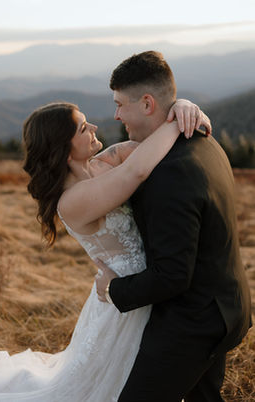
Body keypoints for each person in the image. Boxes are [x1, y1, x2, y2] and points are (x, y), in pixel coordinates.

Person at [0, 93, 210, 399]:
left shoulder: (103, 163)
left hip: (150, 285)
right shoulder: (73, 201)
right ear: (63, 150)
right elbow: (137, 171)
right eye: (82, 128)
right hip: (124, 303)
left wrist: (183, 107)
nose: (95, 129)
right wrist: (178, 119)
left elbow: (149, 148)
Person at [95, 51, 252, 402]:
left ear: (148, 103)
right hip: (227, 306)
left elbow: (173, 275)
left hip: (194, 323)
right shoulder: (202, 139)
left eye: (121, 104)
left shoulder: (170, 175)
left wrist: (114, 289)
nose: (116, 114)